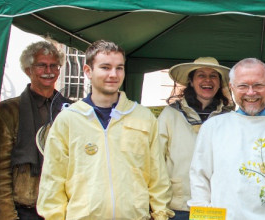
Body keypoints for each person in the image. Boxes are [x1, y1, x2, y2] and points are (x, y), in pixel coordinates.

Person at [37, 40, 172, 220]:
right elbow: (52, 180)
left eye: (119, 68)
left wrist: (161, 214)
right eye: (105, 67)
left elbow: (158, 176)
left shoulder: (143, 117)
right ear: (88, 71)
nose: (113, 74)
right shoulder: (68, 119)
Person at [188, 58, 265, 219]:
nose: (251, 92)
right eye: (243, 86)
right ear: (232, 87)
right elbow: (200, 179)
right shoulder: (213, 128)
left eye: (258, 85)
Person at [0, 41, 71, 220]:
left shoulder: (72, 109)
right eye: (41, 65)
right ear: (28, 70)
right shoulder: (8, 111)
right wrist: (8, 217)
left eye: (54, 65)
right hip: (26, 209)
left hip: (65, 207)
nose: (49, 70)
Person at [156, 57, 234, 220]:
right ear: (191, 81)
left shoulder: (230, 118)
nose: (208, 80)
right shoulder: (170, 115)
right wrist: (158, 207)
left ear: (220, 83)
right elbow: (156, 162)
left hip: (218, 207)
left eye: (213, 76)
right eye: (201, 75)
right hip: (178, 207)